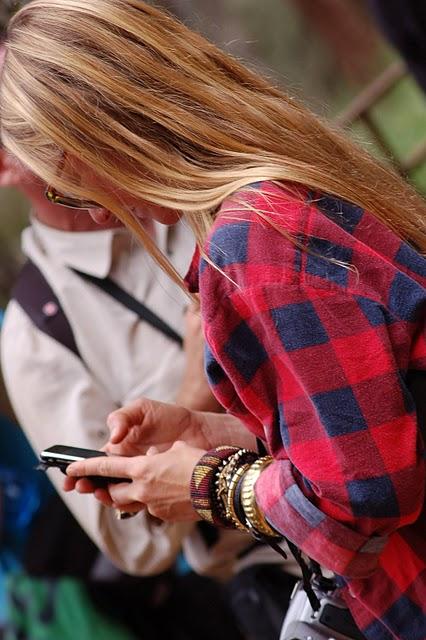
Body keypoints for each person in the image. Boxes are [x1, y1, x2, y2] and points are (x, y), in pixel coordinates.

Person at [0, 1, 424, 639]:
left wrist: (207, 486)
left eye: (70, 186)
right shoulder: (272, 171)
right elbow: (364, 416)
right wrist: (209, 429)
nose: (90, 213)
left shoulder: (250, 241)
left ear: (106, 133)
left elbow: (361, 507)